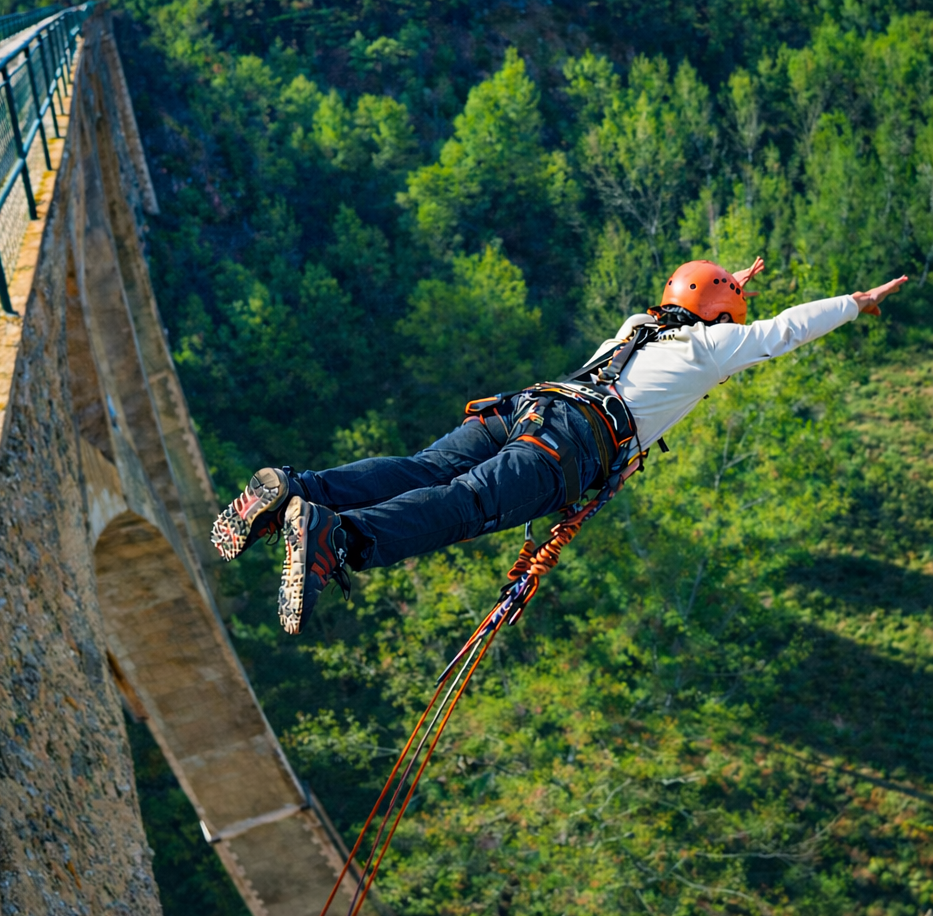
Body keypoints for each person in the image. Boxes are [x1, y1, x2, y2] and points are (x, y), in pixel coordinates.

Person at [211, 259, 909, 636]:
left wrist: (726, 285)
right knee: (464, 506)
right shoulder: (709, 347)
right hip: (569, 443)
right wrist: (857, 302)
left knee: (427, 469)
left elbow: (695, 294)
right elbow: (785, 329)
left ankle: (296, 492)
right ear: (719, 316)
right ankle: (338, 536)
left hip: (523, 406)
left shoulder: (638, 325)